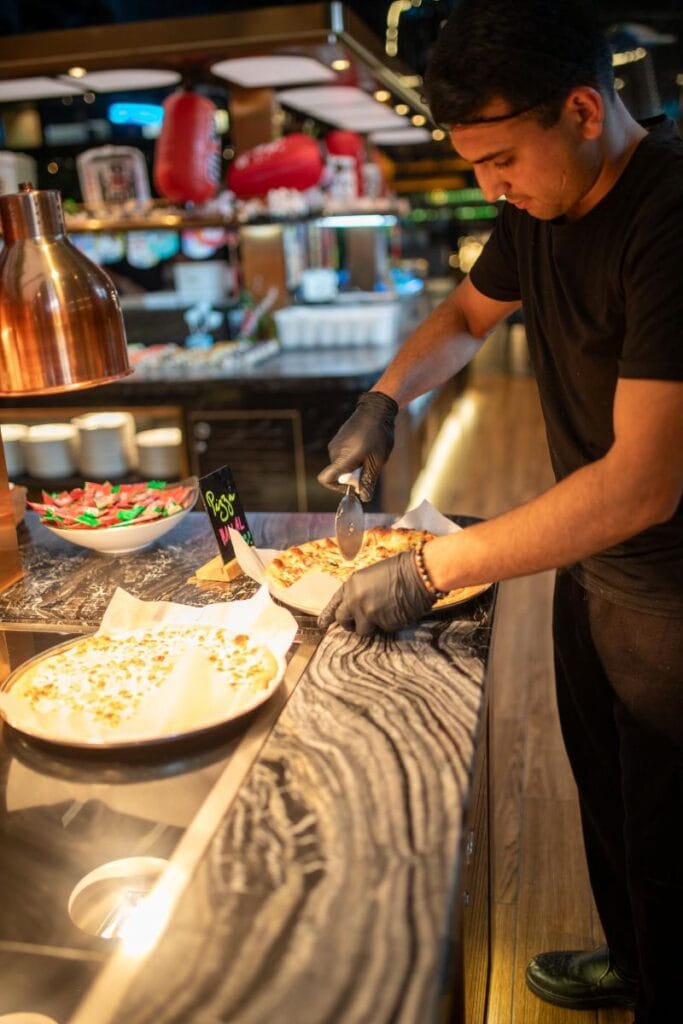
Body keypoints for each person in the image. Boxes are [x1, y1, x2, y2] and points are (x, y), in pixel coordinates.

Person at [316, 2, 683, 1022]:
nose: (489, 189)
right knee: (608, 808)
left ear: (579, 108)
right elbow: (466, 317)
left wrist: (438, 566)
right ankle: (633, 960)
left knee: (667, 840)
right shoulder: (539, 207)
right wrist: (387, 396)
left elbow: (639, 482)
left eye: (498, 160)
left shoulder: (665, 215)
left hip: (669, 590)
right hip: (595, 571)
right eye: (472, 165)